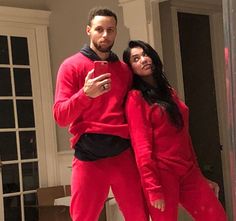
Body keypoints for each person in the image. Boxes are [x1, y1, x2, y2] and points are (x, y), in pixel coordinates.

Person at [53, 8, 149, 221]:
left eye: (110, 30)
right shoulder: (70, 66)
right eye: (99, 29)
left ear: (115, 33)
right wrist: (85, 94)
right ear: (89, 30)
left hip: (122, 153)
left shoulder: (125, 70)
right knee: (83, 218)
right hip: (88, 155)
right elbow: (60, 116)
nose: (105, 35)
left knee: (139, 216)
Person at [123, 40, 227, 221]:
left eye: (146, 54)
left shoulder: (169, 92)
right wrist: (152, 187)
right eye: (136, 58)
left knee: (216, 216)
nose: (144, 60)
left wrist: (199, 174)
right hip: (162, 174)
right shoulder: (136, 98)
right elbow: (141, 147)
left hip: (188, 170)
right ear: (131, 68)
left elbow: (183, 135)